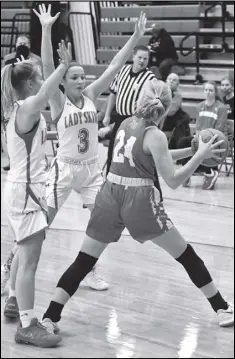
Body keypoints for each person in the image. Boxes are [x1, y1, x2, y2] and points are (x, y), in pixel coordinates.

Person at [40, 78, 233, 334]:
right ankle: (221, 308)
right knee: (186, 255)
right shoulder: (155, 135)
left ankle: (49, 317)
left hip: (109, 194)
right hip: (138, 200)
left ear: (140, 99)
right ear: (166, 106)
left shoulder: (124, 123)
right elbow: (173, 180)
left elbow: (152, 153)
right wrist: (199, 156)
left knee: (84, 260)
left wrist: (191, 149)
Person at [2, 4, 148, 308]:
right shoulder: (56, 100)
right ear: (63, 81)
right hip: (63, 170)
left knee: (104, 223)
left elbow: (114, 66)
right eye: (75, 77)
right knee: (39, 229)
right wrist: (46, 29)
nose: (81, 81)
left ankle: (90, 268)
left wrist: (134, 39)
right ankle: (12, 268)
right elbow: (45, 61)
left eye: (83, 77)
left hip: (92, 171)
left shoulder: (92, 96)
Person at [1, 40, 72, 347]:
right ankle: (27, 326)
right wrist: (63, 67)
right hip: (25, 191)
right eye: (39, 79)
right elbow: (45, 94)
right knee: (30, 262)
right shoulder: (27, 107)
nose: (44, 84)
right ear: (29, 84)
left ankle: (18, 304)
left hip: (25, 188)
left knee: (25, 256)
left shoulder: (19, 110)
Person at [99, 45, 163, 201]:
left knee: (140, 156)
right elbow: (113, 94)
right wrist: (107, 115)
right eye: (140, 57)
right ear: (133, 57)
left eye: (145, 58)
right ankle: (110, 190)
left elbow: (153, 103)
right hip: (119, 118)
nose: (142, 61)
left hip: (136, 120)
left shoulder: (150, 78)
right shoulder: (122, 71)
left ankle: (156, 191)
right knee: (112, 154)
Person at [177, 81, 228, 189]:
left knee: (203, 145)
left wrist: (205, 137)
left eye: (211, 90)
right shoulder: (199, 106)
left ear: (215, 92)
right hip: (201, 136)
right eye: (206, 90)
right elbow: (198, 126)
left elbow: (219, 128)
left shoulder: (221, 107)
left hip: (215, 138)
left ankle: (209, 171)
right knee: (183, 142)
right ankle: (187, 172)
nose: (208, 92)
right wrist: (198, 136)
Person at [161, 73, 191, 149]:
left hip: (170, 124)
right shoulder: (158, 93)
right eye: (169, 79)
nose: (171, 81)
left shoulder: (178, 96)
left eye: (174, 80)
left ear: (178, 84)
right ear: (166, 81)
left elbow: (170, 112)